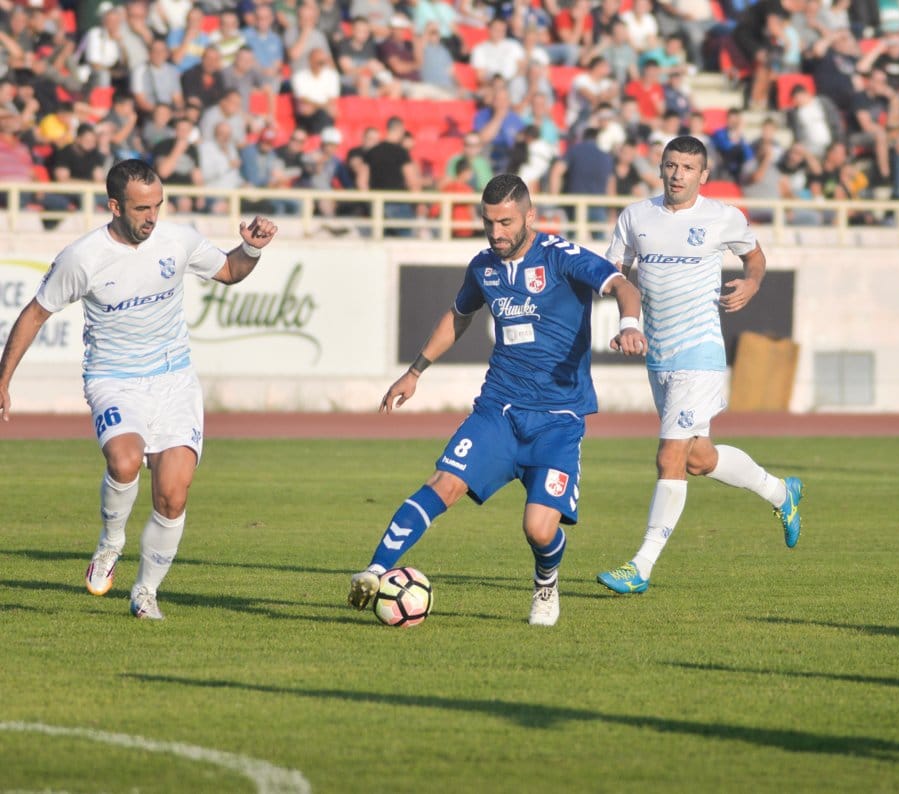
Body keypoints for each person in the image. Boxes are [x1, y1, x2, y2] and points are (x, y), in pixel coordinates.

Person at [346, 173, 647, 626]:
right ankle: (374, 570)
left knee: (538, 528)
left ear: (530, 215)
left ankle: (546, 583)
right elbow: (458, 316)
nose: (496, 233)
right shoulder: (483, 267)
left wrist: (629, 325)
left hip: (558, 418)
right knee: (443, 484)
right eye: (488, 223)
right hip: (499, 410)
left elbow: (624, 286)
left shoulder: (562, 257)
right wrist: (415, 372)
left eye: (505, 222)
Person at [0, 159, 278, 620]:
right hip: (113, 378)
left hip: (174, 380)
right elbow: (34, 314)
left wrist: (250, 249)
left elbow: (229, 270)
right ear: (114, 206)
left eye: (158, 205)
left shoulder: (178, 239)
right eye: (142, 208)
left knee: (172, 494)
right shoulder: (83, 257)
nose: (152, 217)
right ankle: (111, 543)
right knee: (125, 460)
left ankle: (145, 592)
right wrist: (4, 378)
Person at [596, 135, 804, 596]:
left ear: (703, 175)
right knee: (697, 458)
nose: (677, 174)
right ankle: (780, 493)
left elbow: (755, 258)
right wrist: (626, 318)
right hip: (660, 353)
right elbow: (613, 273)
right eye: (671, 165)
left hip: (701, 352)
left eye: (688, 168)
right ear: (661, 167)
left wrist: (751, 284)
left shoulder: (722, 217)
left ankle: (641, 565)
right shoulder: (635, 217)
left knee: (669, 456)